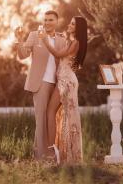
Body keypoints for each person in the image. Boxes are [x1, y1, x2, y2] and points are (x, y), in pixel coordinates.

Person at [15, 10, 66, 160]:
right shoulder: (34, 35)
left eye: (51, 20)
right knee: (41, 117)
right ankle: (42, 155)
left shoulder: (62, 39)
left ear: (57, 21)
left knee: (53, 117)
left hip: (56, 84)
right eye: (45, 20)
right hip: (41, 82)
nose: (47, 22)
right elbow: (23, 55)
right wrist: (19, 39)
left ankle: (52, 152)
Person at [40, 16, 87, 164]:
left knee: (51, 112)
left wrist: (45, 41)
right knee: (64, 116)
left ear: (78, 28)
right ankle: (61, 153)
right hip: (65, 80)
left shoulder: (76, 43)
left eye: (73, 24)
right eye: (70, 22)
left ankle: (52, 153)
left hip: (66, 82)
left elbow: (58, 54)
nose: (69, 24)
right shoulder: (72, 42)